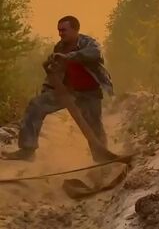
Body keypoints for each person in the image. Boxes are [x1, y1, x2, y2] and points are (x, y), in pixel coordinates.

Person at [2, 16, 113, 161]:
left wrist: (70, 56)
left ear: (75, 30)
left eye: (64, 30)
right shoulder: (59, 47)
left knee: (94, 126)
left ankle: (102, 159)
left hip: (89, 93)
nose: (60, 33)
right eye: (59, 30)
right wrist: (47, 87)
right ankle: (27, 150)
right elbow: (54, 73)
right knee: (36, 105)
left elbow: (95, 54)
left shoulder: (88, 43)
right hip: (67, 91)